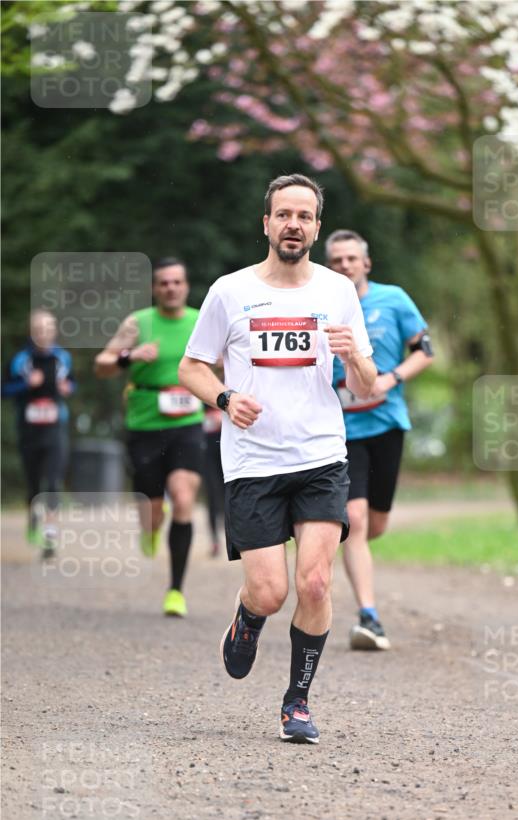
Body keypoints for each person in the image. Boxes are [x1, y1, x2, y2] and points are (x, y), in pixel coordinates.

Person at [178, 174, 376, 744]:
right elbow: (192, 366)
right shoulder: (230, 291)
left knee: (314, 583)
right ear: (266, 223)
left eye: (305, 216)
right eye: (283, 214)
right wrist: (224, 397)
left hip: (319, 454)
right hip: (253, 461)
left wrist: (354, 359)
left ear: (316, 225)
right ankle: (247, 617)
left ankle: (297, 703)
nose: (294, 224)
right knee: (270, 592)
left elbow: (364, 384)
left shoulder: (338, 291)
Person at [326, 229, 434, 651]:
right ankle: (369, 617)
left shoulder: (394, 299)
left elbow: (424, 349)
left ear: (365, 263)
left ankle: (338, 546)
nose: (344, 266)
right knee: (354, 522)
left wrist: (391, 377)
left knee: (375, 524)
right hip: (340, 432)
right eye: (336, 260)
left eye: (351, 259)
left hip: (387, 423)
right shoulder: (319, 303)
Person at [94, 257, 203, 618]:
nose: (170, 288)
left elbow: (219, 362)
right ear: (155, 288)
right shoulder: (137, 323)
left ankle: (176, 590)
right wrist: (129, 356)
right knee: (151, 511)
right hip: (144, 424)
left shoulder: (199, 320)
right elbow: (101, 365)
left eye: (176, 282)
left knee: (184, 497)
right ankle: (152, 526)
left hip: (187, 421)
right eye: (163, 283)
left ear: (185, 286)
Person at [3, 309, 75, 558]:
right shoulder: (20, 360)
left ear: (54, 331)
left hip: (55, 428)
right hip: (29, 430)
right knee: (34, 484)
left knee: (53, 482)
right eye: (39, 329)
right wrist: (25, 384)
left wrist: (67, 388)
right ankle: (33, 516)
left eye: (48, 329)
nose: (44, 334)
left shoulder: (63, 358)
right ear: (32, 333)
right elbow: (5, 390)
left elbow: (72, 383)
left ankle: (50, 537)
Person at [202, 403, 225, 557]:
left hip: (227, 448)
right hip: (206, 448)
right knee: (211, 494)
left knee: (229, 493)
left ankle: (234, 537)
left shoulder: (230, 379)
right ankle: (215, 540)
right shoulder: (197, 378)